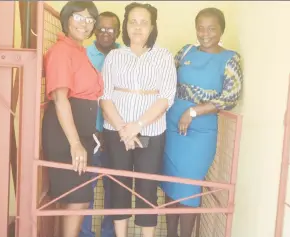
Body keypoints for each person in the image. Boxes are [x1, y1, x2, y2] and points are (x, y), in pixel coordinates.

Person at [160, 7, 243, 237]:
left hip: (201, 132)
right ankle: (170, 234)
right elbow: (167, 81)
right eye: (201, 28)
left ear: (222, 30)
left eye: (212, 28)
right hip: (172, 127)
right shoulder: (185, 52)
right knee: (170, 181)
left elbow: (231, 96)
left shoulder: (230, 59)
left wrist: (195, 111)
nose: (205, 33)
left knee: (189, 184)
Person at [99, 2, 177, 237]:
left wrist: (138, 125)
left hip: (151, 132)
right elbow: (104, 96)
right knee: (118, 186)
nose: (138, 27)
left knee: (147, 189)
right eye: (133, 21)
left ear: (152, 27)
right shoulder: (114, 56)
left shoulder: (163, 56)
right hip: (116, 132)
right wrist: (123, 128)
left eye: (144, 22)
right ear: (126, 25)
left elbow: (166, 98)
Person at [41, 2, 102, 237]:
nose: (84, 24)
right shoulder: (61, 51)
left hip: (80, 132)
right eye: (79, 17)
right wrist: (75, 143)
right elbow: (60, 99)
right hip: (65, 134)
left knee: (79, 198)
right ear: (66, 19)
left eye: (89, 20)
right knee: (77, 199)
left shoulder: (79, 50)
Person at [80, 11, 121, 237]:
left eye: (111, 29)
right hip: (90, 133)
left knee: (114, 189)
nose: (106, 33)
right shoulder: (84, 54)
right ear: (95, 29)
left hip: (117, 133)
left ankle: (108, 233)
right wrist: (94, 130)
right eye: (102, 28)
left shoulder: (125, 54)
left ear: (118, 31)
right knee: (86, 188)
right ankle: (85, 233)